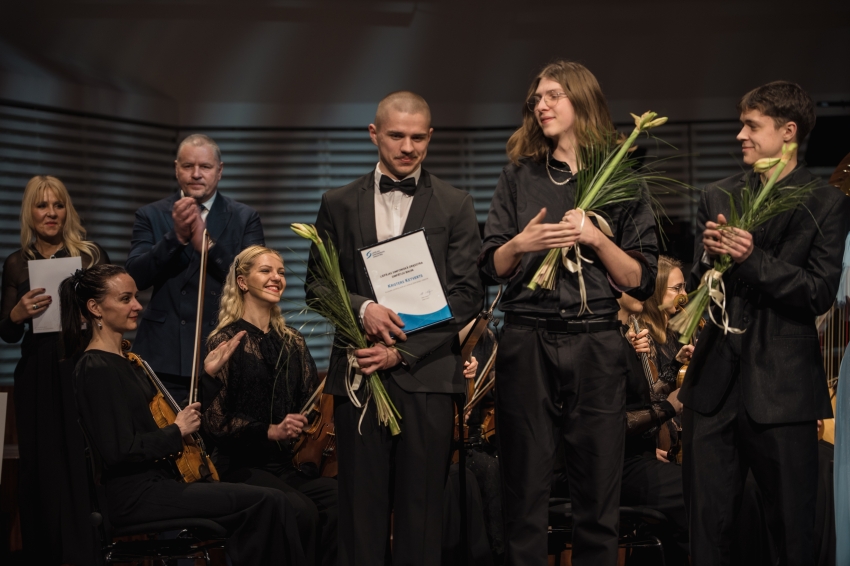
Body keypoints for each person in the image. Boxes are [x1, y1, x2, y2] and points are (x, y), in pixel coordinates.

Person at [478, 60, 658, 565]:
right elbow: (489, 266)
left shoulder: (621, 177)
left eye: (553, 95)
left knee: (598, 495)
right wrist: (521, 243)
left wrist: (596, 238)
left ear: (581, 100)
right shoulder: (519, 176)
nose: (541, 105)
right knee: (524, 492)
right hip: (527, 338)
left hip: (596, 341)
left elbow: (640, 280)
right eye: (536, 98)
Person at [306, 90, 484, 565]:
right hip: (359, 375)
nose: (408, 147)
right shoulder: (337, 203)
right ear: (374, 134)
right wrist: (362, 308)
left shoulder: (456, 204)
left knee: (421, 520)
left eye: (418, 137)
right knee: (359, 518)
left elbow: (468, 295)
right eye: (396, 136)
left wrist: (400, 351)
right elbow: (317, 286)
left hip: (427, 378)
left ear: (430, 136)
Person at [679, 81, 850, 565]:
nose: (740, 135)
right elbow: (695, 283)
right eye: (741, 125)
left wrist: (752, 259)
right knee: (707, 537)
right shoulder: (719, 194)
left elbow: (818, 292)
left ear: (788, 131)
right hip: (712, 389)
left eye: (752, 126)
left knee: (791, 537)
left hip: (783, 391)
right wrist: (706, 260)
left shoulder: (825, 202)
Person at [63, 264, 305, 566]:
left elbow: (177, 422)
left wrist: (208, 377)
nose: (138, 306)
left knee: (273, 500)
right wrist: (176, 432)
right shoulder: (95, 368)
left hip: (162, 484)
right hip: (136, 495)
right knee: (267, 501)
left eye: (136, 297)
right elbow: (119, 450)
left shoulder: (128, 361)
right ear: (95, 308)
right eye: (125, 299)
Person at [202, 245, 338, 566]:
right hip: (240, 466)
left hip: (285, 465)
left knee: (339, 499)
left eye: (280, 272)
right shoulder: (225, 341)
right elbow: (216, 422)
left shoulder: (293, 341)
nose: (277, 278)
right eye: (265, 271)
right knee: (299, 510)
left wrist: (303, 425)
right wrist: (270, 431)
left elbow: (308, 406)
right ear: (242, 281)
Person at [0, 175, 109, 564]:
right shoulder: (17, 262)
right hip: (37, 372)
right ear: (30, 212)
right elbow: (7, 333)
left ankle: (88, 550)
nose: (51, 213)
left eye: (58, 205)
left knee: (84, 459)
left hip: (82, 365)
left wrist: (91, 313)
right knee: (41, 464)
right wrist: (16, 313)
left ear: (68, 210)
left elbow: (113, 310)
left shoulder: (91, 256)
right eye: (42, 205)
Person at [125, 133, 264, 402]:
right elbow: (135, 277)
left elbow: (254, 283)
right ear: (176, 168)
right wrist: (175, 237)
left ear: (219, 171)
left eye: (205, 167)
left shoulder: (245, 217)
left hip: (222, 348)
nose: (196, 174)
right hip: (163, 352)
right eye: (188, 166)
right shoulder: (150, 214)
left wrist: (207, 246)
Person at [618, 256, 692, 565]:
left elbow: (646, 395)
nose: (645, 289)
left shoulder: (629, 337)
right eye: (638, 281)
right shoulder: (613, 341)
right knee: (698, 493)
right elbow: (616, 421)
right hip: (619, 465)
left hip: (639, 455)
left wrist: (674, 366)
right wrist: (669, 407)